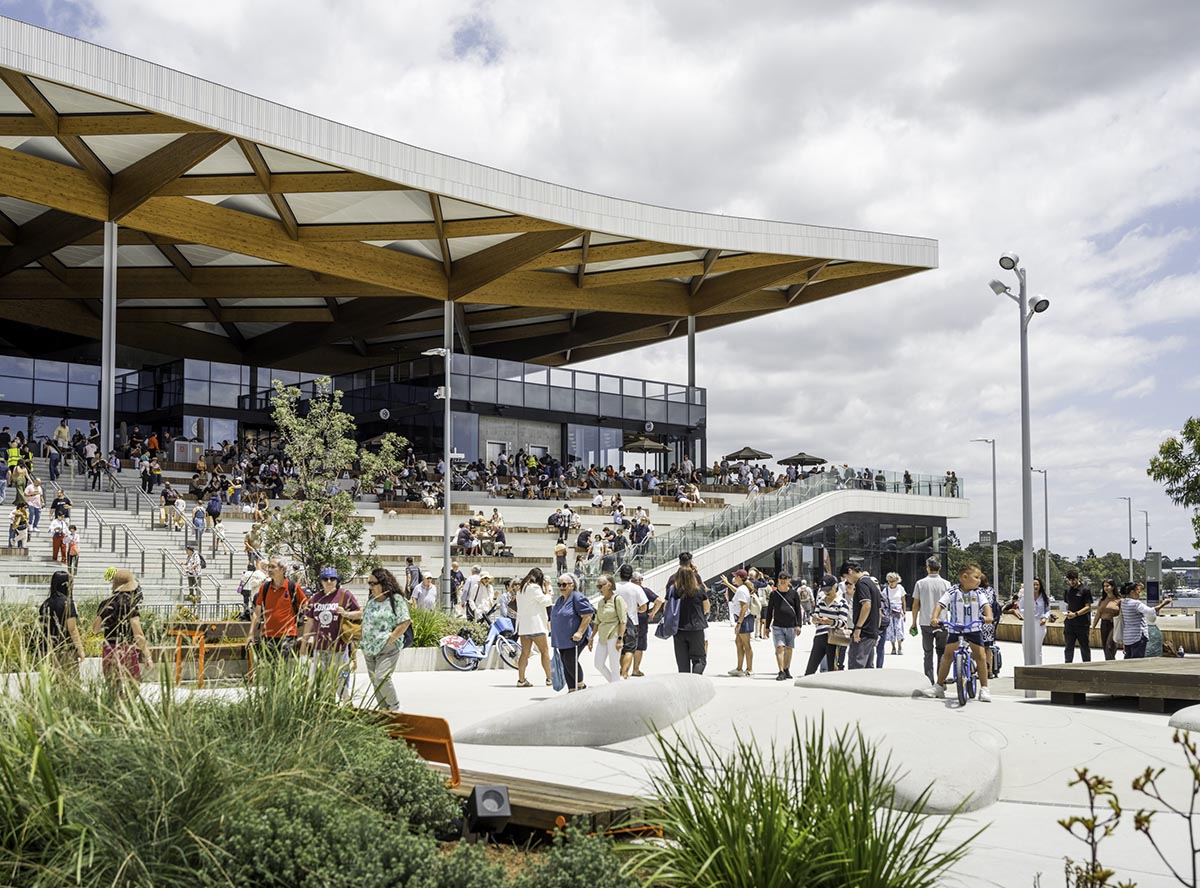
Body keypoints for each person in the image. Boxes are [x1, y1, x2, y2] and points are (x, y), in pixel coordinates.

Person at [926, 562, 993, 702]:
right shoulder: (953, 591)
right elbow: (940, 604)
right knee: (947, 656)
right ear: (964, 577)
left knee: (980, 656)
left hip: (974, 629)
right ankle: (938, 686)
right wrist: (934, 618)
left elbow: (986, 606)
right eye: (976, 577)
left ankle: (985, 688)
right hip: (956, 628)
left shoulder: (979, 592)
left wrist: (988, 617)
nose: (979, 580)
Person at [300, 566, 360, 701]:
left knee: (341, 685)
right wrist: (304, 643)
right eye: (325, 579)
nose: (329, 581)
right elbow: (309, 622)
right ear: (321, 581)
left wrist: (345, 613)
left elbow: (359, 613)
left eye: (332, 579)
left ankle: (346, 711)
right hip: (319, 648)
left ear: (337, 580)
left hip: (339, 648)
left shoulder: (345, 595)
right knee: (323, 685)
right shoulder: (315, 598)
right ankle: (327, 711)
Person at [359, 567, 412, 710]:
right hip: (369, 648)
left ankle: (394, 707)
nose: (370, 587)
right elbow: (364, 617)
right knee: (375, 682)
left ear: (383, 583)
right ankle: (384, 709)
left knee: (381, 678)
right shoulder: (372, 600)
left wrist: (391, 638)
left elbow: (405, 621)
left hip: (387, 648)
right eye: (369, 583)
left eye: (373, 583)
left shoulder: (396, 600)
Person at [92, 569, 153, 684]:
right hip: (127, 649)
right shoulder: (130, 606)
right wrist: (147, 655)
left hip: (109, 648)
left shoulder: (105, 604)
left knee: (113, 685)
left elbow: (95, 629)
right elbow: (138, 634)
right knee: (133, 685)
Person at [246, 557, 308, 660]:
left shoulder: (293, 587)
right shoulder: (264, 588)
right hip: (268, 636)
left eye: (273, 567)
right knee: (270, 670)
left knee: (282, 668)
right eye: (268, 567)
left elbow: (307, 606)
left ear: (283, 569)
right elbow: (257, 613)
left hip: (288, 636)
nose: (269, 570)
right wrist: (251, 634)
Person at [550, 573, 594, 692]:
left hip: (575, 638)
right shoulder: (560, 600)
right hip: (561, 639)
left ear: (572, 585)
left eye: (564, 584)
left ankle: (581, 685)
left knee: (570, 660)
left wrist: (579, 632)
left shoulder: (577, 597)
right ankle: (572, 689)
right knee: (565, 661)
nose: (561, 587)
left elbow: (587, 615)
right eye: (559, 584)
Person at [911, 557, 951, 685]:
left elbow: (915, 605)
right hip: (942, 622)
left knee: (927, 653)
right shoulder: (946, 584)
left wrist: (913, 622)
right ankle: (941, 681)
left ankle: (929, 681)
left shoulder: (920, 583)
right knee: (942, 653)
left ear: (927, 568)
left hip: (925, 622)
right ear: (940, 568)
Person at [667, 552, 709, 674]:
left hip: (678, 627)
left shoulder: (672, 585)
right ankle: (696, 684)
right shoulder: (698, 587)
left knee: (682, 664)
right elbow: (706, 607)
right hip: (696, 627)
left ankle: (685, 688)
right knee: (699, 660)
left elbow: (666, 606)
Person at [34, 570, 86, 668]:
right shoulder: (68, 603)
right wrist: (80, 649)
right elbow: (72, 629)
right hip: (65, 649)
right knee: (69, 680)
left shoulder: (46, 603)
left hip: (46, 648)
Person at [515, 567, 554, 688]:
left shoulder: (520, 589)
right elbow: (546, 601)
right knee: (544, 651)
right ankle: (549, 678)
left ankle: (521, 680)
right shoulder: (534, 588)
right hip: (536, 625)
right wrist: (547, 589)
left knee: (524, 653)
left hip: (524, 626)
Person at [805, 574, 849, 675]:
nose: (826, 592)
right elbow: (816, 614)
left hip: (833, 639)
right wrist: (815, 619)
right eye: (824, 589)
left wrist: (830, 622)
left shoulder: (842, 603)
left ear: (835, 586)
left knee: (832, 670)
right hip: (819, 637)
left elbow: (843, 622)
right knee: (810, 668)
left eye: (829, 589)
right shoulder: (821, 601)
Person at [763, 571, 803, 680]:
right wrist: (766, 627)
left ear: (789, 580)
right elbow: (770, 610)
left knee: (789, 649)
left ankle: (786, 669)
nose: (783, 580)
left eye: (785, 578)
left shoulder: (794, 594)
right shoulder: (774, 594)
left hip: (791, 626)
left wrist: (799, 625)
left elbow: (798, 610)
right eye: (781, 578)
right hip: (777, 626)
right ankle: (780, 671)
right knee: (780, 648)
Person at [842, 562, 881, 670]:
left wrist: (858, 628)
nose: (848, 581)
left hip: (863, 633)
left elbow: (866, 605)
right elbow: (879, 610)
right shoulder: (872, 583)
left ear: (850, 571)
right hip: (871, 631)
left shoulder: (861, 584)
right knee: (868, 668)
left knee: (856, 667)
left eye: (846, 577)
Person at [589, 573, 627, 683]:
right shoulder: (601, 602)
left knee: (614, 665)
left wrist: (620, 639)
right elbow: (597, 621)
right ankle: (615, 684)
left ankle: (616, 688)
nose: (599, 589)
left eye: (601, 586)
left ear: (609, 585)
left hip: (614, 635)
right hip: (602, 636)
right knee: (598, 664)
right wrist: (591, 637)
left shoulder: (617, 599)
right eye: (598, 586)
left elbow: (623, 620)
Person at [1119, 582, 1172, 659]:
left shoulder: (1123, 602)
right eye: (1138, 591)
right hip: (1138, 635)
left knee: (1128, 659)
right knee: (1137, 660)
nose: (1139, 593)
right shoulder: (1136, 604)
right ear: (1132, 592)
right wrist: (1163, 603)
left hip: (1128, 636)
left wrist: (1138, 588)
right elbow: (1150, 611)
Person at [613, 563, 648, 679]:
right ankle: (624, 672)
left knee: (620, 649)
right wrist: (635, 609)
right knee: (629, 649)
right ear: (631, 576)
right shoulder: (636, 588)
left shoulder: (613, 587)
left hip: (615, 622)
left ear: (620, 574)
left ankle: (622, 670)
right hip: (632, 622)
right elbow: (644, 607)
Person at [630, 570, 662, 677]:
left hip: (628, 619)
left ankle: (623, 668)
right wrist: (652, 613)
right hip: (642, 619)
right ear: (641, 580)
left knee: (627, 643)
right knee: (639, 645)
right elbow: (659, 601)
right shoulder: (645, 591)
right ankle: (635, 669)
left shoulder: (627, 590)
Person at [727, 569, 756, 676]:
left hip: (744, 619)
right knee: (739, 643)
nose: (734, 578)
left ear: (739, 577)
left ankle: (749, 669)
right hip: (743, 618)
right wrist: (727, 584)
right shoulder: (742, 588)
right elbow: (737, 592)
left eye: (736, 576)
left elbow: (744, 607)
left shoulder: (742, 590)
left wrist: (739, 624)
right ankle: (739, 668)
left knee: (746, 644)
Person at [1061, 569, 1093, 663]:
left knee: (1084, 647)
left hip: (1082, 624)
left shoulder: (1085, 590)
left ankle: (1087, 667)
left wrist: (1076, 614)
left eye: (1073, 580)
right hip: (1070, 624)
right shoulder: (1067, 590)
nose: (1071, 582)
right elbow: (1068, 603)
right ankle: (1068, 666)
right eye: (1069, 580)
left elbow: (1088, 607)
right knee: (1068, 647)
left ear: (1077, 578)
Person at [1013, 578, 1052, 648]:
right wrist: (1027, 614)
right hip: (1028, 623)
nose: (1035, 587)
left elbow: (1048, 610)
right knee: (1026, 646)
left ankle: (1037, 659)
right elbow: (1020, 608)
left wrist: (1045, 618)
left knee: (1037, 647)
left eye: (1037, 585)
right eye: (1034, 585)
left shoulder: (1044, 598)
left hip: (1040, 623)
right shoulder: (1026, 597)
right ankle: (1027, 659)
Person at [1092, 579, 1122, 660]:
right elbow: (1098, 614)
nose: (1106, 588)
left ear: (1112, 587)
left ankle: (1111, 663)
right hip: (1104, 624)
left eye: (1107, 586)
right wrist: (1093, 627)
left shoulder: (1119, 600)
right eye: (1104, 586)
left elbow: (1122, 615)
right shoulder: (1102, 600)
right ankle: (1110, 662)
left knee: (1110, 646)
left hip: (1114, 625)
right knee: (1105, 646)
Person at [884, 573, 906, 657]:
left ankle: (900, 647)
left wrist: (904, 612)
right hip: (889, 611)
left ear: (896, 581)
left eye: (893, 581)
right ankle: (893, 647)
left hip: (898, 610)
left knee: (899, 628)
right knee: (890, 629)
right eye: (889, 581)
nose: (891, 583)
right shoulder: (885, 589)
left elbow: (903, 600)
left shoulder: (900, 588)